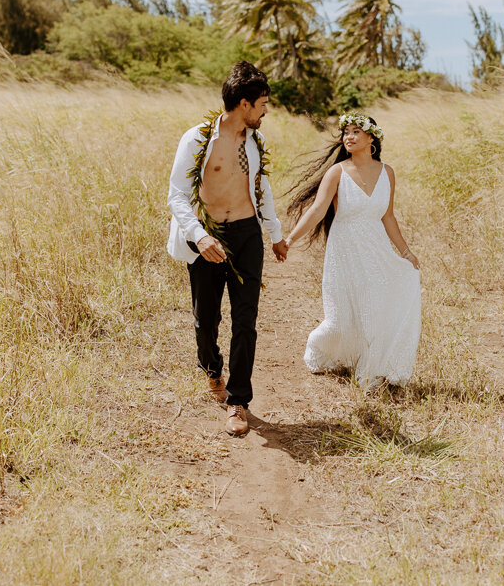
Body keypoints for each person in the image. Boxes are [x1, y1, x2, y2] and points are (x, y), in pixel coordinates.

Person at [166, 61, 287, 436]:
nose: (266, 110)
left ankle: (238, 402)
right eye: (263, 103)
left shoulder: (256, 141)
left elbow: (261, 189)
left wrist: (275, 232)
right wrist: (200, 236)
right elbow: (177, 195)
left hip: (247, 235)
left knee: (245, 319)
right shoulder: (198, 139)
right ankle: (212, 370)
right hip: (207, 235)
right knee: (206, 320)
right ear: (245, 104)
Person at [285, 113, 421, 388]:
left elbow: (388, 217)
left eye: (356, 131)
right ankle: (320, 347)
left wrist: (406, 253)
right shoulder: (337, 172)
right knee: (340, 318)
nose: (348, 136)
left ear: (371, 137)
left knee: (375, 308)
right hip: (344, 249)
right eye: (346, 131)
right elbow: (317, 210)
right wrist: (289, 240)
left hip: (376, 249)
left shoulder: (388, 172)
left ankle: (372, 369)